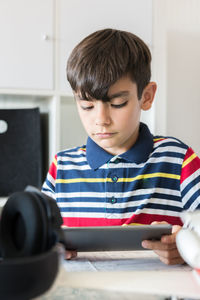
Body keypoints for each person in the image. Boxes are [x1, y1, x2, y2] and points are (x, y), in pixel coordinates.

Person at [42, 28, 200, 265]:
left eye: (117, 103)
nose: (101, 119)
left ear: (146, 96)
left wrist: (187, 246)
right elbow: (36, 238)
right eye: (86, 106)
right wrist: (46, 247)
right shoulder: (62, 166)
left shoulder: (178, 160)